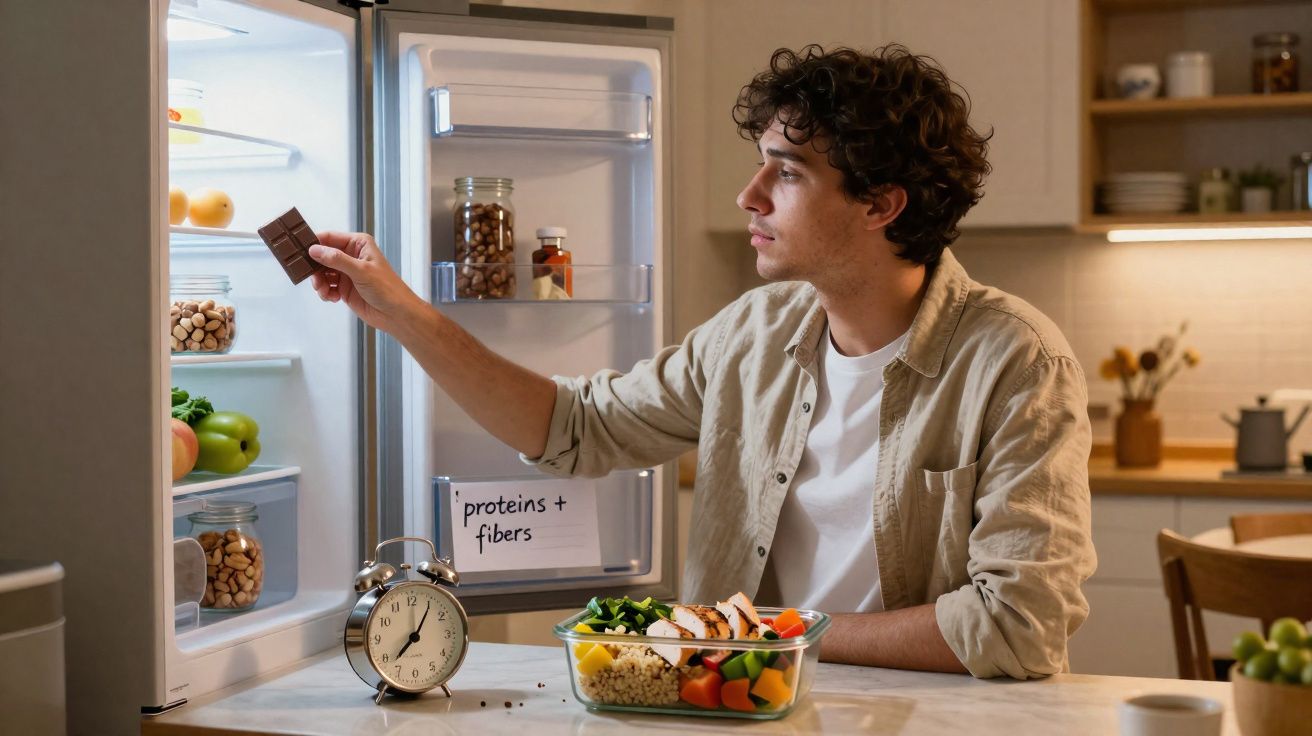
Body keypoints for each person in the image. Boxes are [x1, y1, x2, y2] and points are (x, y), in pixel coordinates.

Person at [307, 45, 1096, 679]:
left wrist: (777, 636)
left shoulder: (1014, 362)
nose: (750, 195)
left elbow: (1018, 627)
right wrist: (402, 314)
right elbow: (576, 427)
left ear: (880, 205)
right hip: (744, 701)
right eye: (762, 163)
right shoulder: (754, 333)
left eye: (787, 171)